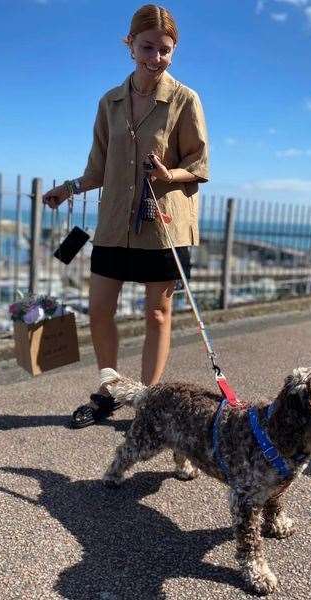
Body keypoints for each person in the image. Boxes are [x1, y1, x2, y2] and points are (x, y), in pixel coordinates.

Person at [42, 4, 208, 428]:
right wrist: (70, 188)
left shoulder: (185, 100)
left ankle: (147, 405)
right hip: (114, 222)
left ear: (174, 51)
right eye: (147, 47)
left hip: (165, 225)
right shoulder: (110, 102)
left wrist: (170, 173)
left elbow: (200, 165)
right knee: (99, 310)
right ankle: (109, 391)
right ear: (129, 45)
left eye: (165, 50)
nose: (155, 58)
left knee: (157, 314)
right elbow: (98, 167)